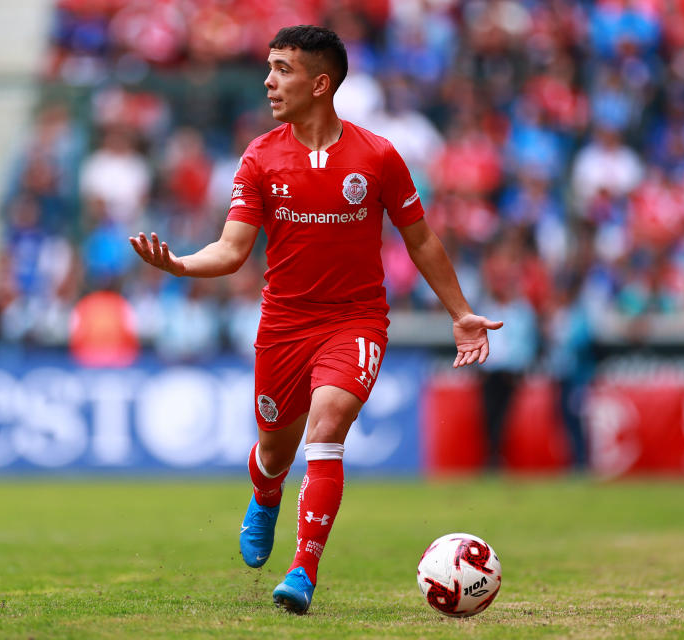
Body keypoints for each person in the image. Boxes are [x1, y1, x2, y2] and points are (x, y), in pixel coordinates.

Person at [129, 25, 502, 614]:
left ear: (320, 83)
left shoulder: (377, 156)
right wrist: (178, 264)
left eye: (283, 69)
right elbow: (231, 251)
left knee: (326, 429)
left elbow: (422, 239)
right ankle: (267, 490)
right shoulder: (260, 156)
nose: (269, 80)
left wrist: (461, 313)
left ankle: (303, 569)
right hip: (283, 323)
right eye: (270, 66)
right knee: (275, 452)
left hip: (356, 320)